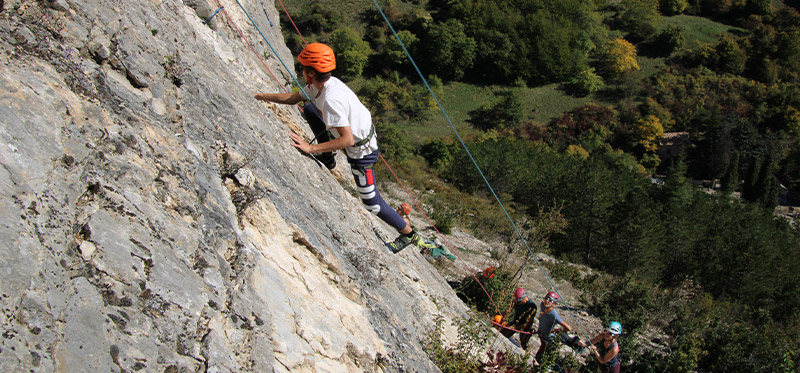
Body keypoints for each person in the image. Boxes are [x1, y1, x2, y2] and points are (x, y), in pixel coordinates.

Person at [254, 43, 423, 253]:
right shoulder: (324, 84)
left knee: (371, 203)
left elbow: (347, 140)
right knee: (308, 108)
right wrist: (260, 96)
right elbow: (293, 98)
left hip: (362, 154)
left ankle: (408, 234)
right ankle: (328, 157)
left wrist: (310, 148)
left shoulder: (331, 98)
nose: (301, 71)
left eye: (304, 67)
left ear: (311, 72)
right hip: (361, 138)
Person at [536, 291, 581, 361]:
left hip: (548, 338)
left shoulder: (554, 315)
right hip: (541, 334)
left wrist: (556, 330)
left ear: (553, 304)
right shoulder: (542, 305)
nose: (547, 301)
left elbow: (568, 328)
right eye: (546, 298)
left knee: (544, 357)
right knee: (541, 352)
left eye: (550, 300)